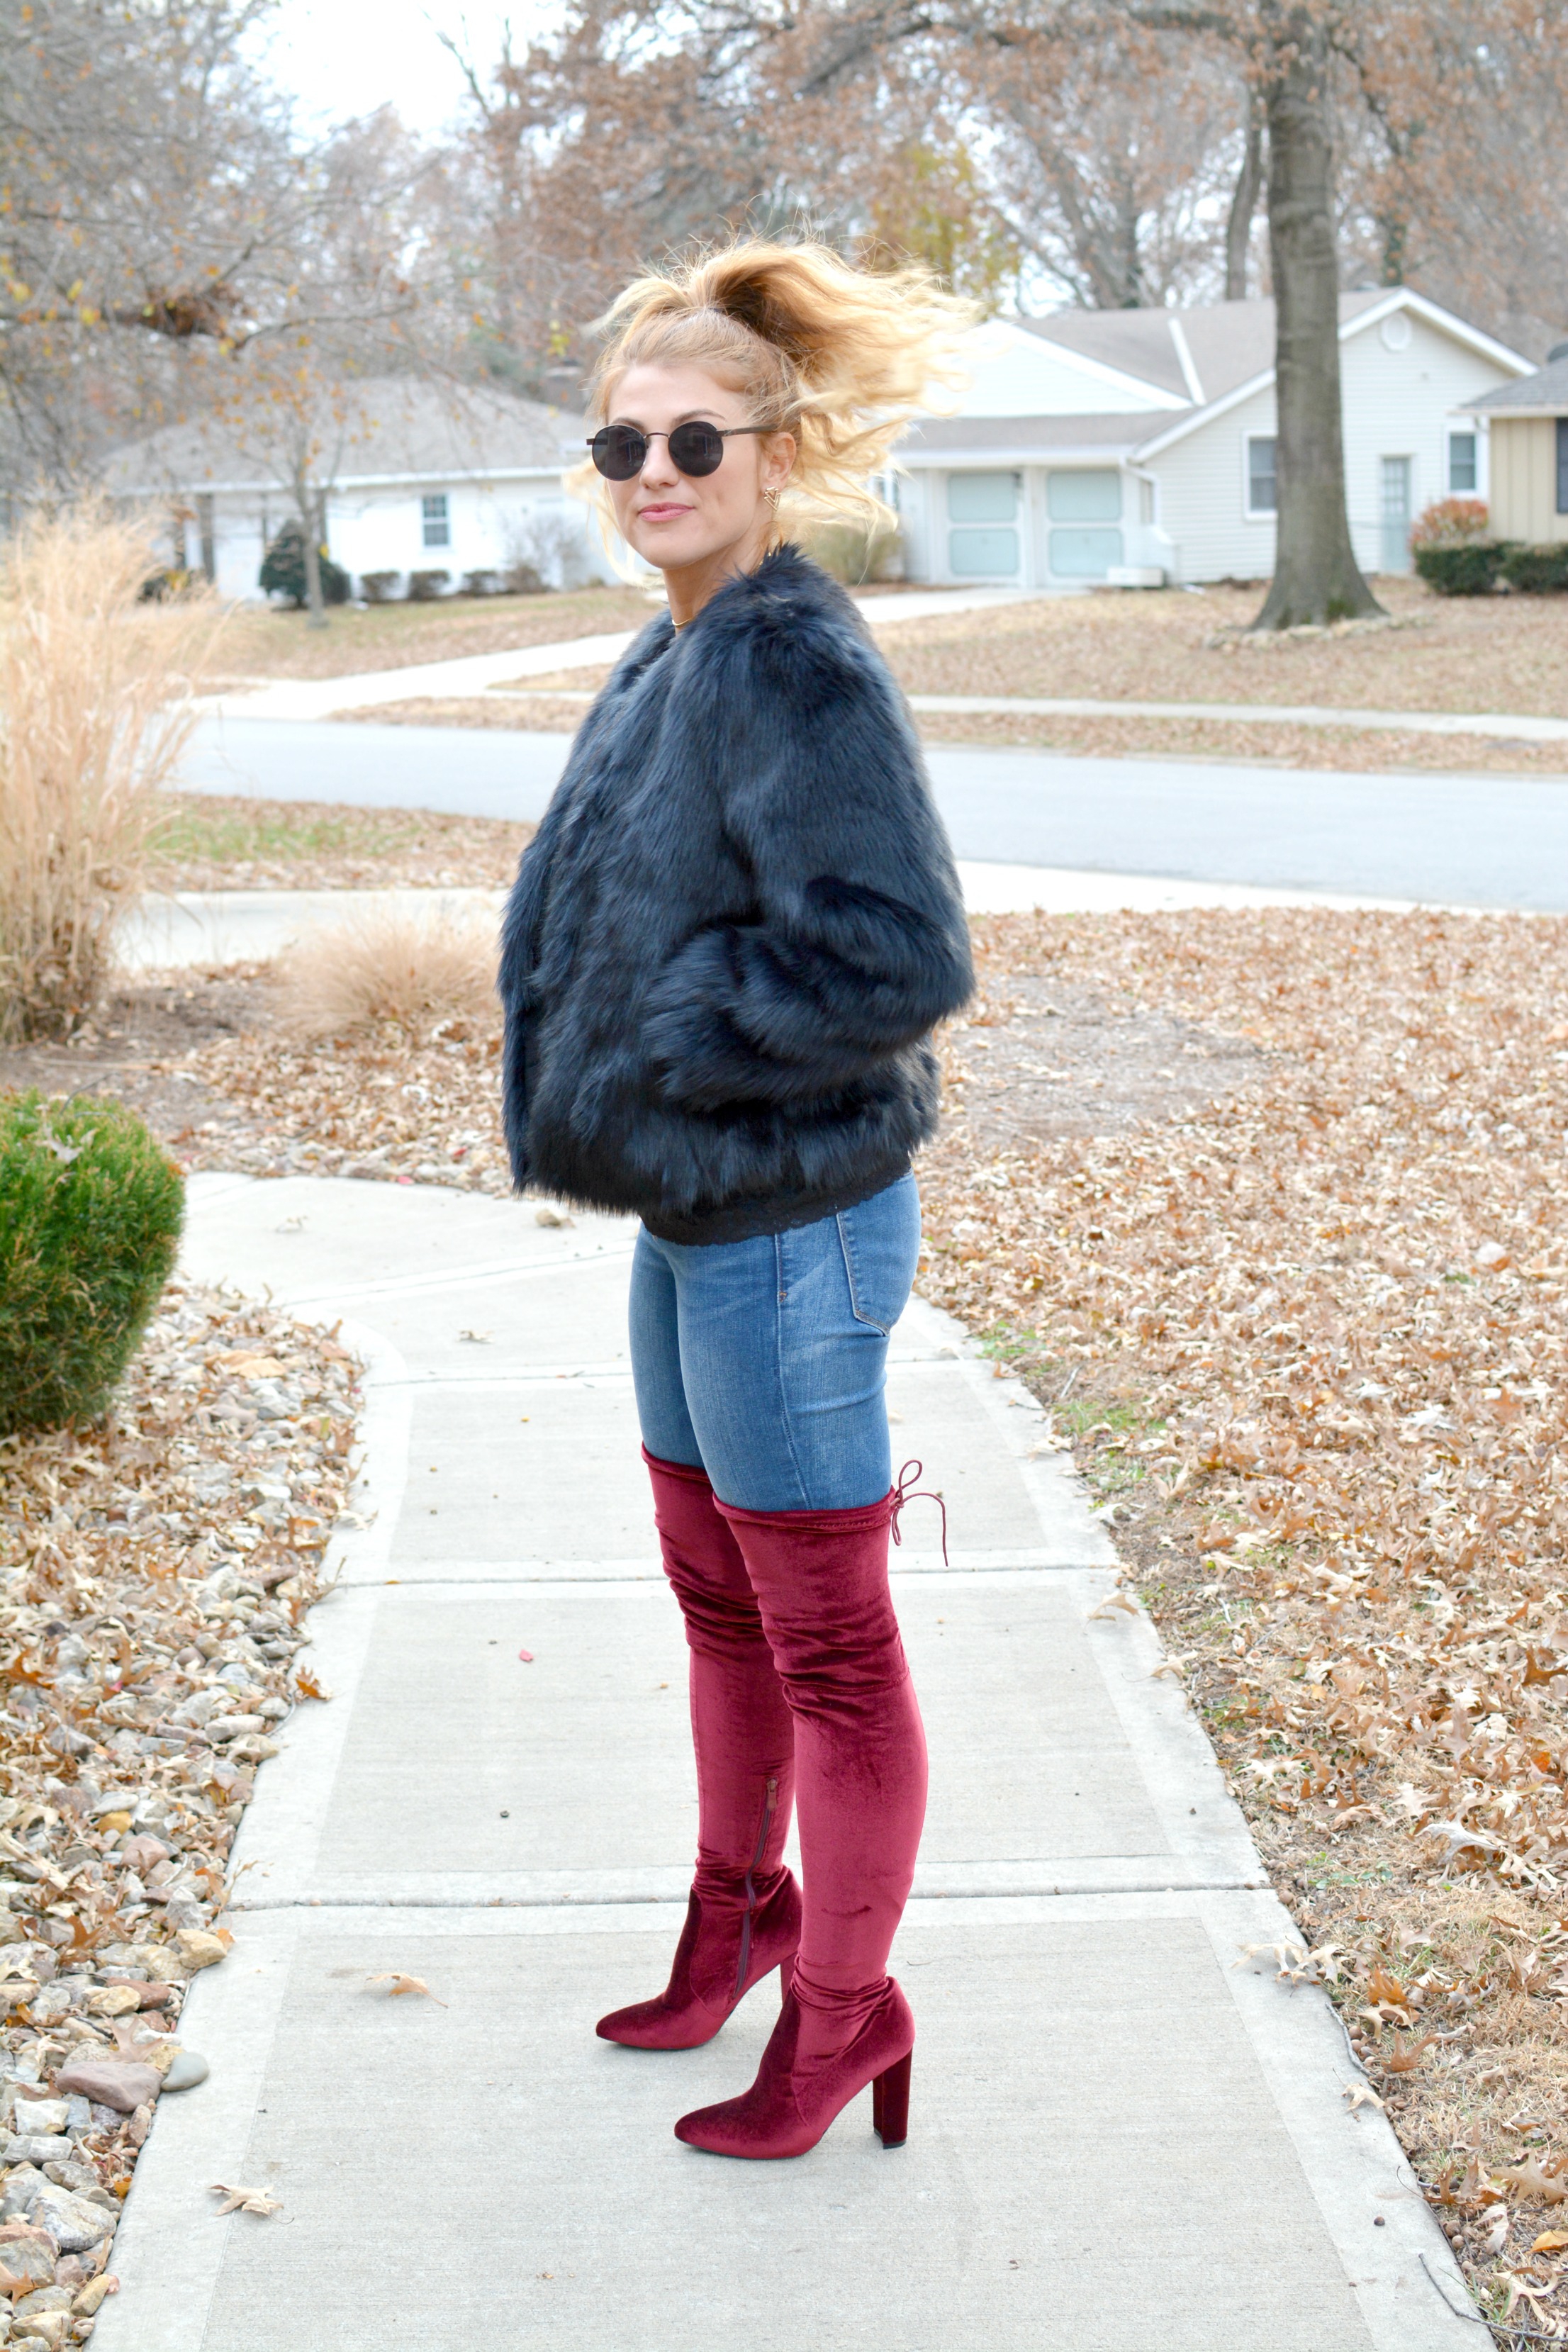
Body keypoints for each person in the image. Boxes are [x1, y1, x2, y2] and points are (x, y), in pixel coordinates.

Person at [498, 240, 973, 2161]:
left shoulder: (787, 652)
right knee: (717, 1612)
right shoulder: (671, 641)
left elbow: (894, 953)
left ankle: (845, 2017)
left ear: (777, 454)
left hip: (787, 1222)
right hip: (692, 1216)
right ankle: (736, 1928)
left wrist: (680, 1034)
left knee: (829, 1645)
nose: (652, 466)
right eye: (621, 437)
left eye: (693, 435)